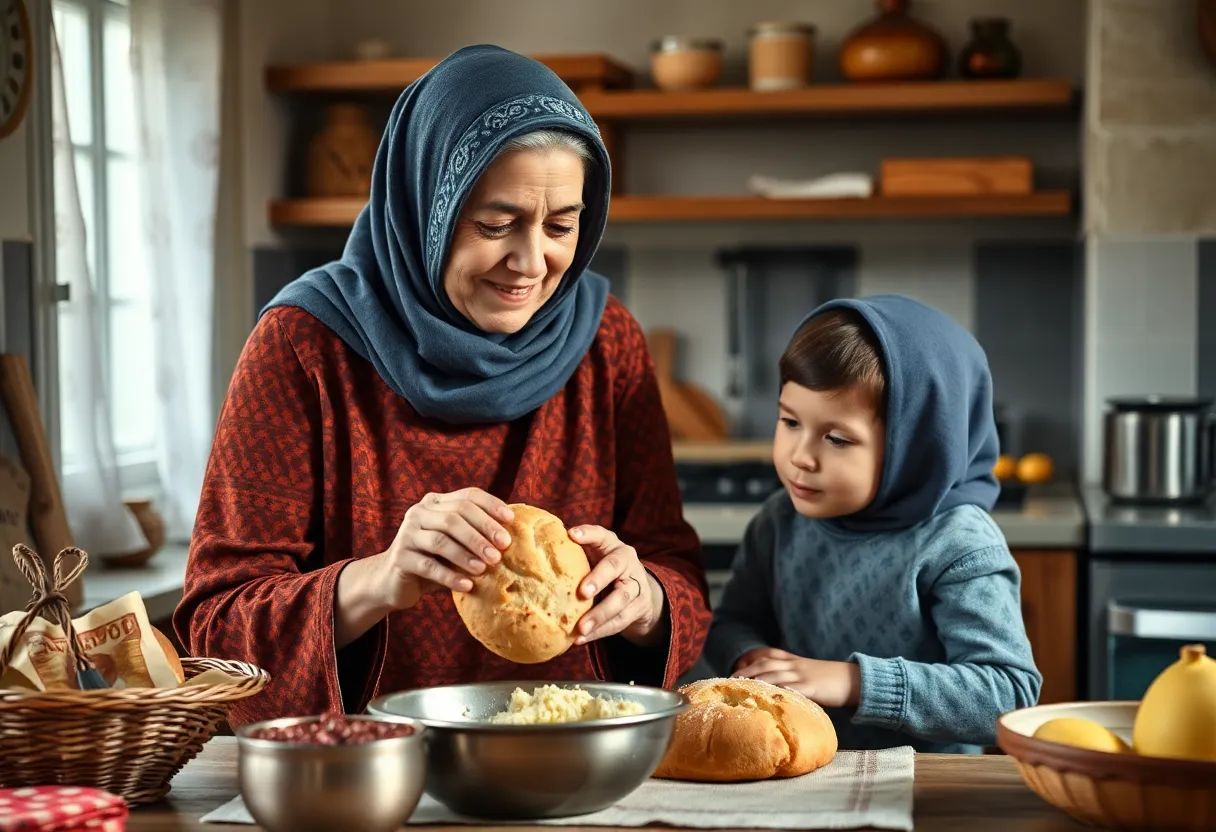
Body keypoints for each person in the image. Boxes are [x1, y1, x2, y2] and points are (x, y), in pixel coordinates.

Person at [174, 45, 710, 725]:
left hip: (570, 770)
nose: (530, 261)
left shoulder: (608, 344)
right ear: (427, 203)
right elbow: (213, 632)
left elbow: (683, 587)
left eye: (562, 226)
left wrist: (647, 600)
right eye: (496, 223)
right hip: (362, 779)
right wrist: (375, 581)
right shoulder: (302, 348)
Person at [706, 295, 1040, 752]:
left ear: (917, 447)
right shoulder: (779, 520)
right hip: (805, 778)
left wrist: (853, 681)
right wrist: (750, 656)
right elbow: (732, 621)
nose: (800, 456)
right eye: (789, 421)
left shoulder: (958, 544)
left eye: (837, 438)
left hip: (927, 790)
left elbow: (1008, 694)